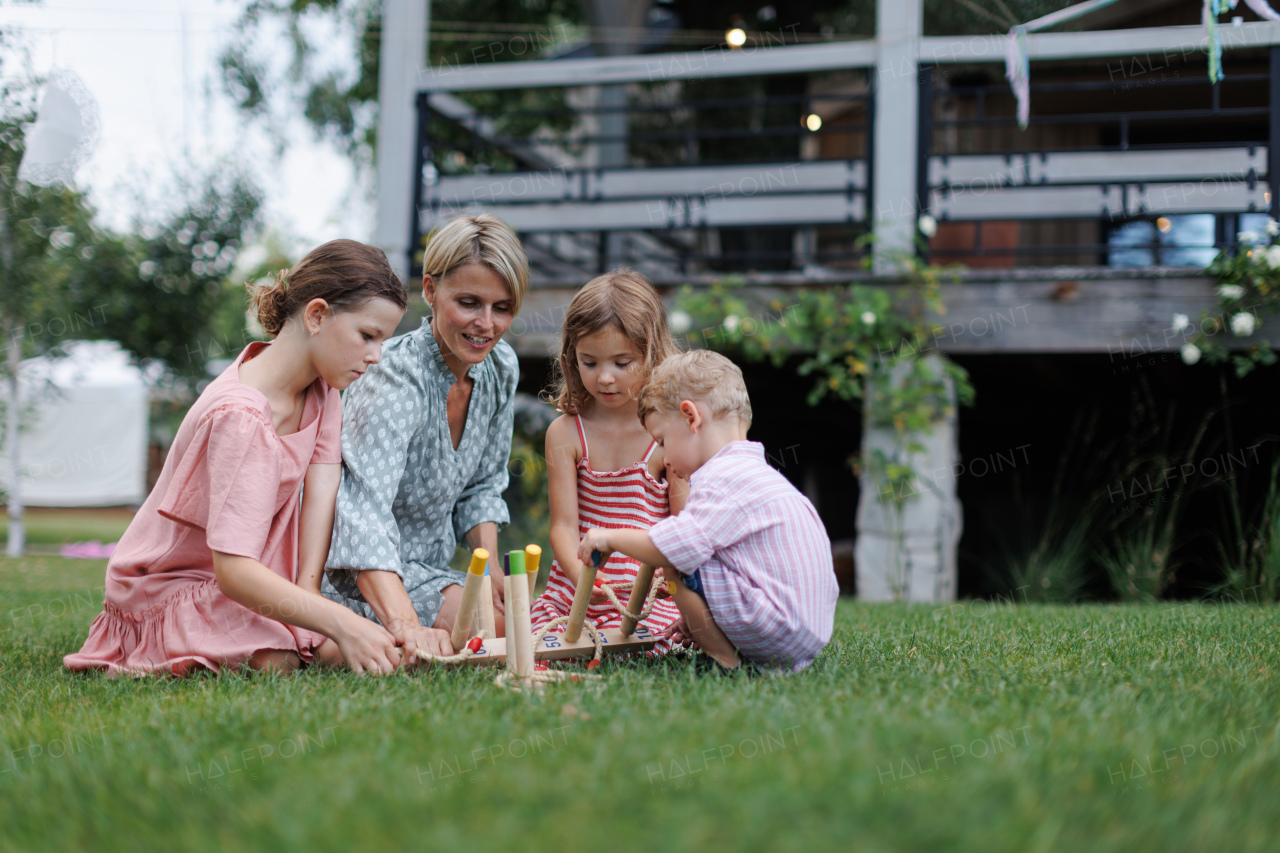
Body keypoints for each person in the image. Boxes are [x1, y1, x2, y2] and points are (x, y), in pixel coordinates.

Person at [65, 240, 410, 676]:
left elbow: (322, 495)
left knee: (336, 648)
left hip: (255, 581)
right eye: (368, 336)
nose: (375, 357)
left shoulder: (323, 393)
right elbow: (232, 572)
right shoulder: (240, 416)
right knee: (278, 661)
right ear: (317, 314)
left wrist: (313, 612)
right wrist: (339, 624)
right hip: (175, 586)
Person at [322, 214, 528, 663]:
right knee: (485, 627)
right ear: (431, 291)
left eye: (503, 307)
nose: (486, 325)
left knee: (511, 617)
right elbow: (361, 520)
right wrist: (407, 627)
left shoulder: (500, 369)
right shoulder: (391, 380)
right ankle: (343, 635)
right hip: (358, 573)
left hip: (430, 570)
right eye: (469, 302)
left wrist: (488, 569)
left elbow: (482, 486)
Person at [576, 349, 838, 673]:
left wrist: (609, 537)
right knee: (692, 558)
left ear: (691, 418)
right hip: (805, 636)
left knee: (675, 566)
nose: (663, 458)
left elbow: (673, 549)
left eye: (661, 440)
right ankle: (756, 660)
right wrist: (696, 620)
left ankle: (725, 662)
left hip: (775, 625)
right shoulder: (759, 476)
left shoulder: (721, 480)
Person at [530, 269, 686, 646]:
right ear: (571, 357)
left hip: (647, 595)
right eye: (590, 362)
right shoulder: (565, 434)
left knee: (666, 640)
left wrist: (671, 575)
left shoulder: (668, 435)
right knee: (545, 640)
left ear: (652, 354)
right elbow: (564, 528)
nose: (605, 378)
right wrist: (583, 575)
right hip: (578, 589)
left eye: (622, 362)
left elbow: (684, 525)